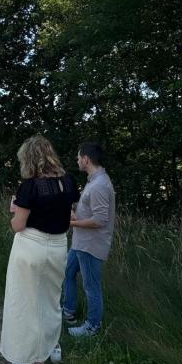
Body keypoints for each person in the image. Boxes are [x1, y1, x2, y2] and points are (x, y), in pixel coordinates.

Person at [0, 135, 79, 364]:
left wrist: (14, 210)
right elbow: (69, 215)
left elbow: (18, 226)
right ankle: (51, 346)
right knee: (51, 300)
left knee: (27, 304)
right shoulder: (68, 182)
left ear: (29, 160)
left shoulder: (30, 187)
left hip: (32, 246)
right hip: (58, 246)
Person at [63, 142, 116, 338]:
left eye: (78, 157)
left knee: (91, 286)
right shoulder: (93, 181)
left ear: (86, 159)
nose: (77, 161)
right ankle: (68, 311)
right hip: (80, 243)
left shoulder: (100, 185)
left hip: (91, 245)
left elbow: (100, 220)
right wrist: (75, 214)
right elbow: (90, 210)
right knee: (67, 273)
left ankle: (92, 327)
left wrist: (71, 224)